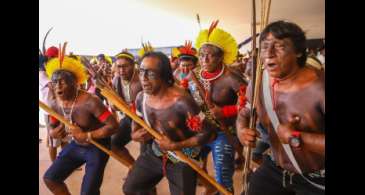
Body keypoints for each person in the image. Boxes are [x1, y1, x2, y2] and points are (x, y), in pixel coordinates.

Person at [237, 20, 325, 195]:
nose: (269, 54)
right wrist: (241, 131)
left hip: (317, 178)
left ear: (299, 52)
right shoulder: (258, 83)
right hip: (275, 168)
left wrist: (297, 138)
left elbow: (295, 138)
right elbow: (244, 113)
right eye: (264, 46)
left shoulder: (320, 88)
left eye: (280, 47)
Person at [122, 51, 217, 195]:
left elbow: (209, 133)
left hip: (183, 158)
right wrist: (134, 134)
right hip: (155, 152)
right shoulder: (141, 97)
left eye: (151, 74)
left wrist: (175, 145)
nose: (144, 79)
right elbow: (137, 120)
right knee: (131, 188)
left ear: (165, 75)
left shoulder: (182, 102)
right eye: (141, 72)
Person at [43, 47, 119, 195]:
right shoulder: (54, 103)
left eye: (62, 82)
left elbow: (113, 126)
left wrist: (88, 136)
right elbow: (53, 127)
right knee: (51, 179)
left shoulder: (90, 102)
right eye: (54, 82)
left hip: (98, 146)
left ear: (75, 82)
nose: (58, 86)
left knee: (89, 192)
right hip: (76, 145)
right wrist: (54, 132)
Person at [193, 21, 248, 193]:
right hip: (199, 131)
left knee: (223, 180)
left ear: (221, 56)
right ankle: (209, 188)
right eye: (201, 55)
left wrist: (224, 111)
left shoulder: (232, 78)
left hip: (225, 132)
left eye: (210, 55)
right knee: (186, 166)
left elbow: (249, 106)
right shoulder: (193, 75)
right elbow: (186, 100)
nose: (204, 59)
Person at [110, 50, 143, 167]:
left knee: (146, 153)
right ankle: (133, 168)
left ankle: (144, 178)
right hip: (130, 118)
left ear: (133, 65)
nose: (121, 70)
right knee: (113, 143)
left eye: (125, 66)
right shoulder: (116, 80)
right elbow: (113, 100)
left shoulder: (142, 78)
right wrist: (113, 105)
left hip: (147, 120)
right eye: (119, 67)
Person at [39, 46, 69, 162]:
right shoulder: (42, 74)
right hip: (50, 112)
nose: (53, 61)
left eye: (55, 58)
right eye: (51, 58)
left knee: (65, 138)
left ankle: (66, 162)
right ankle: (54, 165)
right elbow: (54, 86)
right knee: (53, 141)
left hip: (62, 109)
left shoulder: (54, 73)